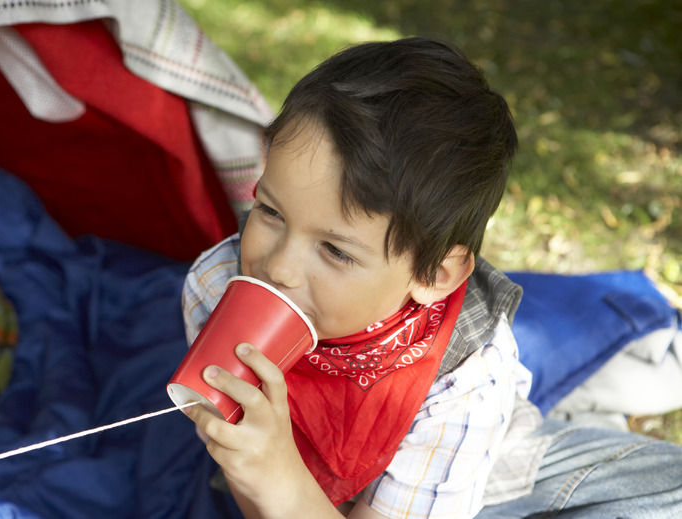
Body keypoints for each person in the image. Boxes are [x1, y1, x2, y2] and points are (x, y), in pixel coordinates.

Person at [181, 37, 682, 519]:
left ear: (434, 274)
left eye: (335, 250)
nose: (278, 267)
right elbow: (255, 488)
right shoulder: (215, 286)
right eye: (269, 210)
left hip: (474, 476)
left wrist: (279, 481)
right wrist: (262, 472)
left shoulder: (468, 375)